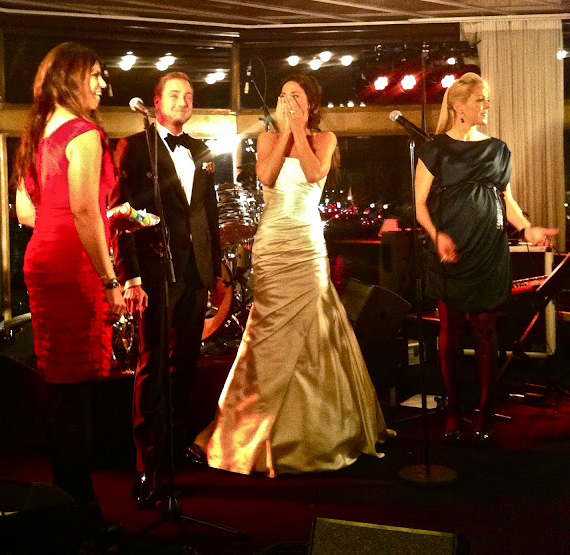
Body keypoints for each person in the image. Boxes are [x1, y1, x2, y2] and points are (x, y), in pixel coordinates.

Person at [193, 75, 392, 477]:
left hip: (306, 241)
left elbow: (315, 173)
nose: (287, 101)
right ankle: (250, 429)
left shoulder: (326, 139)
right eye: (283, 95)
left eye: (295, 96)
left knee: (317, 327)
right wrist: (285, 130)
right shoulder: (267, 138)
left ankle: (322, 430)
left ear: (311, 103)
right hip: (272, 241)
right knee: (266, 328)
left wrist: (300, 130)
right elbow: (267, 177)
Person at [14, 42, 127, 533]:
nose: (102, 84)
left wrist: (68, 220)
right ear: (69, 78)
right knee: (76, 393)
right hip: (71, 265)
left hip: (42, 258)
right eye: (95, 74)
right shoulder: (84, 133)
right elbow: (83, 210)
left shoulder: (38, 132)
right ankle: (83, 514)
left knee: (61, 391)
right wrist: (110, 280)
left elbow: (26, 212)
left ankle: (66, 506)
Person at [415, 72, 557, 443]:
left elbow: (507, 200)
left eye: (487, 99)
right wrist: (437, 235)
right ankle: (453, 410)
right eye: (480, 99)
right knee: (450, 332)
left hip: (488, 249)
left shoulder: (497, 149)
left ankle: (486, 410)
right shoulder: (435, 149)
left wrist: (527, 229)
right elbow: (419, 205)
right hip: (451, 251)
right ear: (458, 107)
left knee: (485, 331)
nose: (487, 105)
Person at [109, 72, 221, 507]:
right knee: (152, 365)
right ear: (156, 103)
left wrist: (214, 270)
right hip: (154, 272)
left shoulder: (201, 149)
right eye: (175, 94)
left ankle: (173, 452)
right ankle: (147, 464)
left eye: (189, 95)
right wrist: (131, 276)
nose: (184, 100)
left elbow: (208, 213)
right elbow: (121, 213)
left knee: (185, 366)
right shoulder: (134, 147)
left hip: (194, 271)